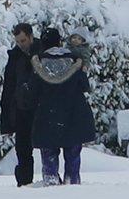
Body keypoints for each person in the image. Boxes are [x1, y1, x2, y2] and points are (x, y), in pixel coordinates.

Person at [30, 31, 93, 187]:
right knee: (72, 156)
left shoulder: (38, 64)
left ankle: (51, 184)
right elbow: (85, 86)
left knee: (49, 155)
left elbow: (32, 92)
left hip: (47, 117)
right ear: (59, 42)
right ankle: (72, 183)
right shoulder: (75, 62)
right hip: (73, 115)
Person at [0, 22, 45, 187]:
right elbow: (8, 88)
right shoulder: (15, 58)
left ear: (31, 37)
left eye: (23, 40)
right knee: (23, 149)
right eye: (18, 41)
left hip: (41, 108)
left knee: (47, 147)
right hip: (21, 109)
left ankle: (50, 177)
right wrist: (6, 121)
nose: (20, 44)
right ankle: (24, 182)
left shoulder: (43, 52)